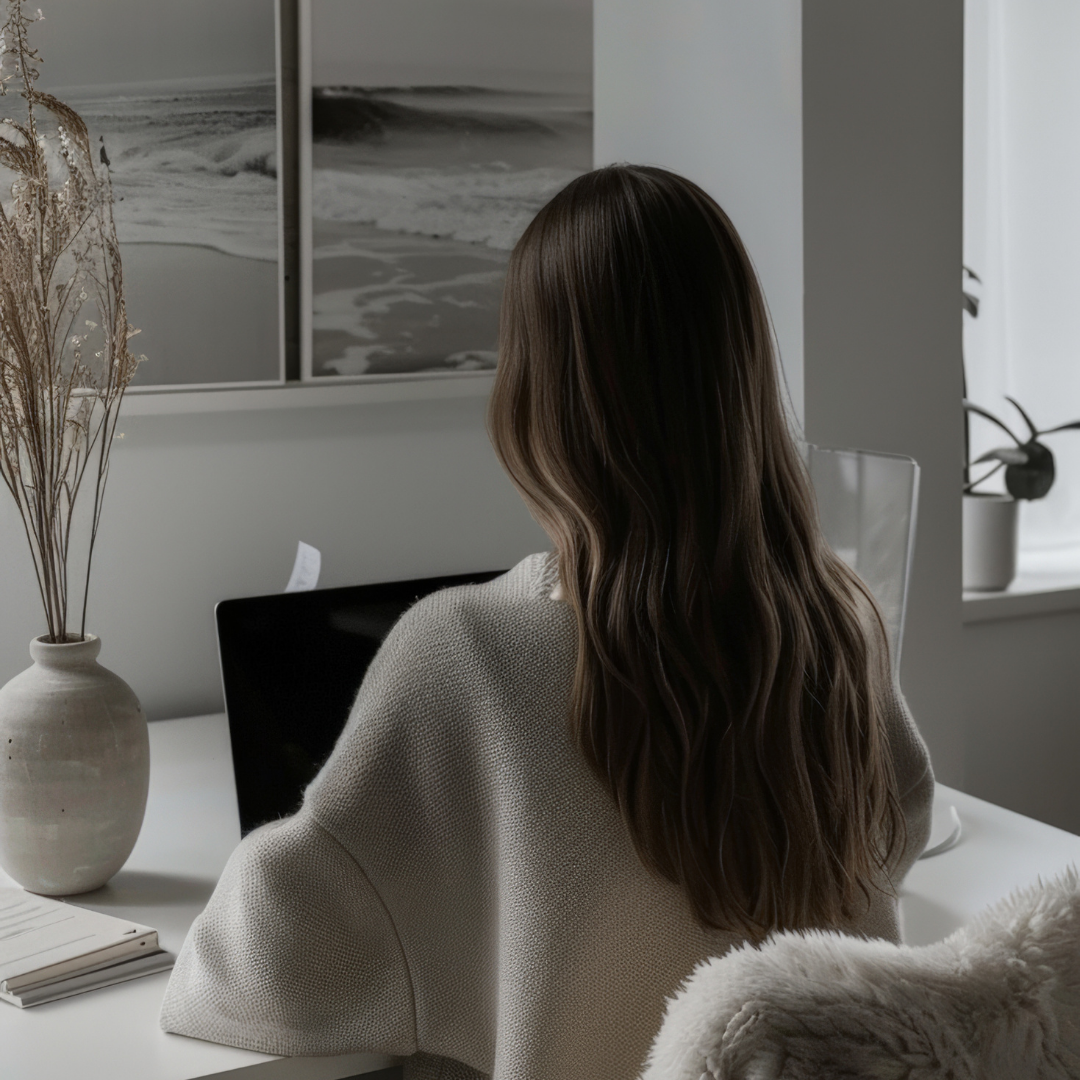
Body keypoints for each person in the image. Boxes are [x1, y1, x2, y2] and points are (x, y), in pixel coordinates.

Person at [159, 165, 934, 1080]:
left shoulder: (467, 653)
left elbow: (259, 965)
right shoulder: (839, 625)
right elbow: (904, 827)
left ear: (539, 392)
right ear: (739, 372)